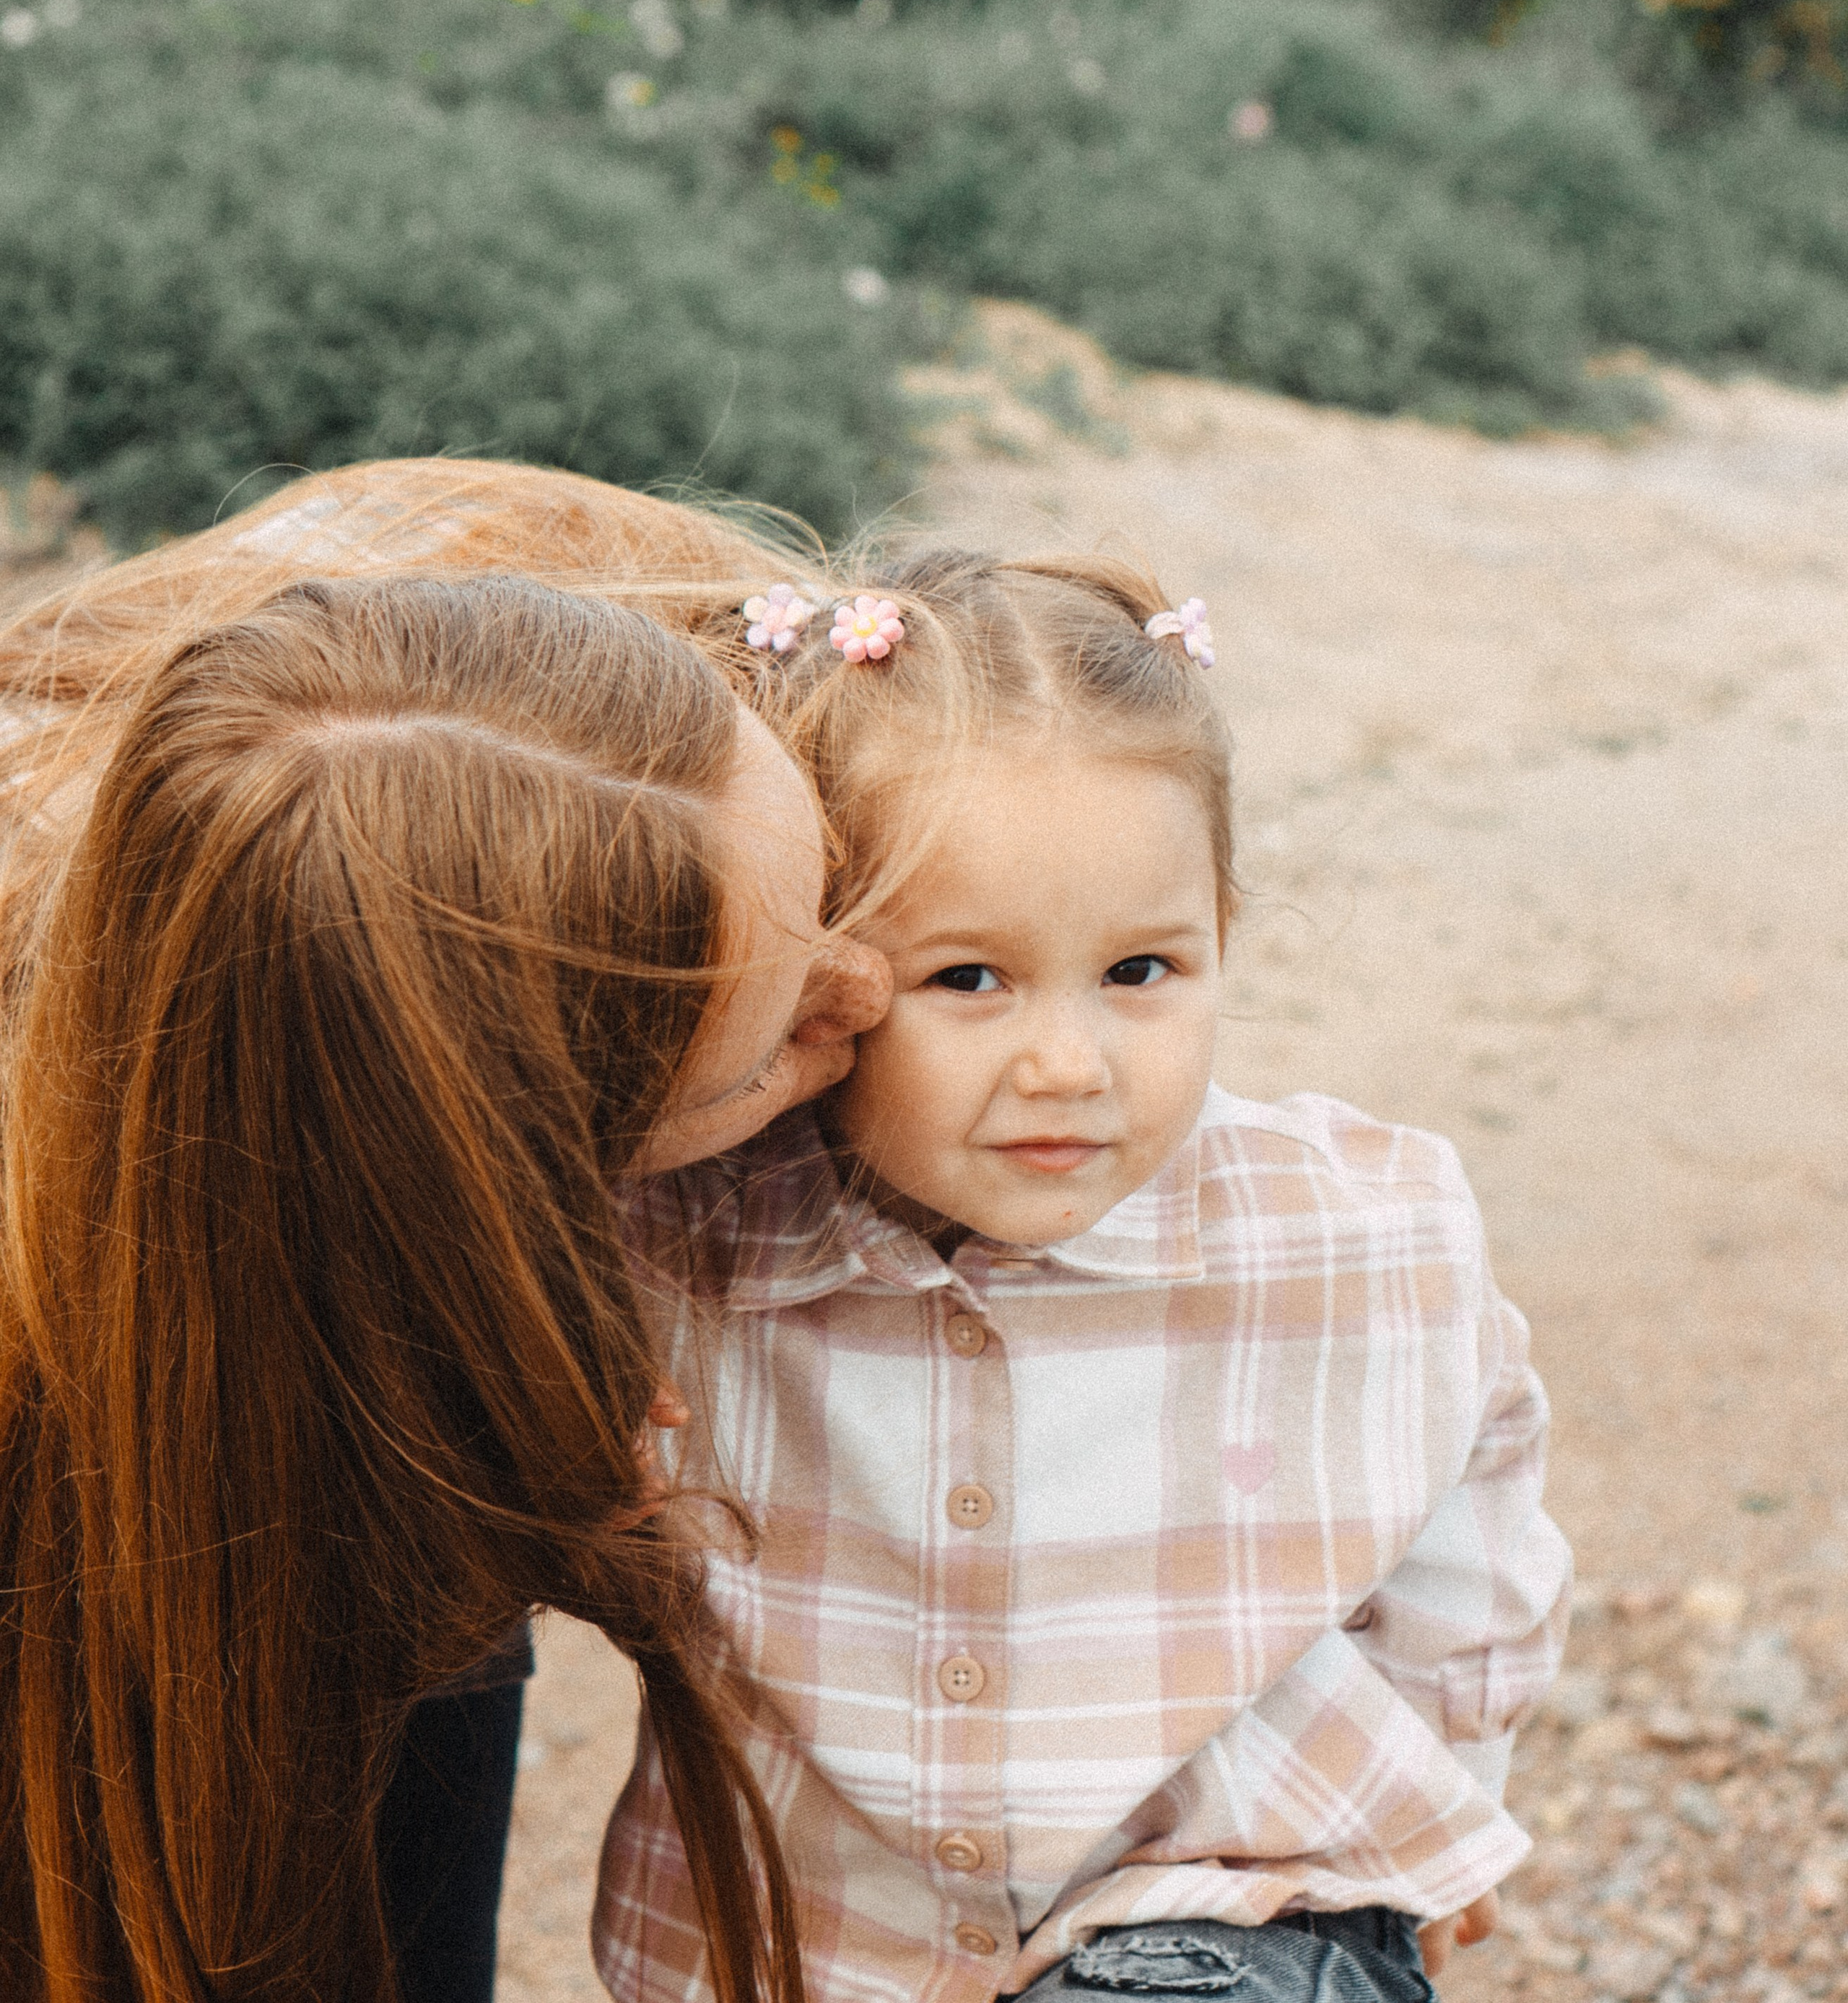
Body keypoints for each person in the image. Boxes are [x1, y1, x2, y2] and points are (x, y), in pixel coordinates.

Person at [597, 546, 1574, 2003]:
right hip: (810, 1941)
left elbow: (1473, 1522)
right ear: (818, 984)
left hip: (1235, 1891)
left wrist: (1447, 1801)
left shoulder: (1361, 1226)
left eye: (1138, 973)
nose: (1069, 1064)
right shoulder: (681, 1238)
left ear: (1221, 934)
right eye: (967, 980)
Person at [0, 463, 889, 2003]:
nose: (867, 994)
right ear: (483, 1191)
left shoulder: (600, 628)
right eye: (771, 1047)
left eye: (836, 879)